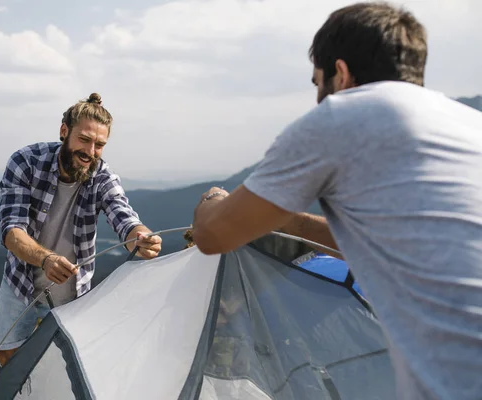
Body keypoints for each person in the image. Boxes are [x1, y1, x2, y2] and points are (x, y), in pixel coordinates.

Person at [191, 2, 482, 400]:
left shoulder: (342, 117)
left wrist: (212, 200)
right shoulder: (467, 123)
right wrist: (290, 222)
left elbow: (212, 235)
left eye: (317, 83)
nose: (318, 97)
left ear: (340, 74)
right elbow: (401, 244)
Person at [0, 92, 162, 366]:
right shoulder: (25, 162)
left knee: (61, 364)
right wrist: (45, 259)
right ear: (64, 131)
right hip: (20, 281)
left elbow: (123, 215)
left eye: (99, 145)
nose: (90, 152)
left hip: (72, 293)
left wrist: (140, 238)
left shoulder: (103, 175)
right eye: (84, 139)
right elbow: (12, 231)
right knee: (8, 355)